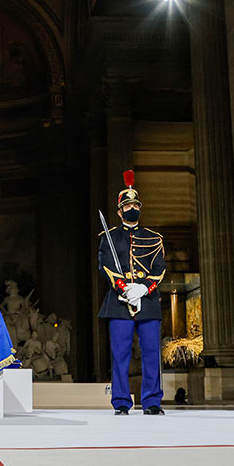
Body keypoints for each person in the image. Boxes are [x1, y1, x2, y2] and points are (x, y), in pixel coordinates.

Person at [98, 170, 166, 415]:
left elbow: (159, 268)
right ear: (119, 211)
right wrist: (124, 288)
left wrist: (143, 287)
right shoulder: (109, 237)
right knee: (120, 355)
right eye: (127, 206)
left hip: (147, 301)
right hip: (119, 301)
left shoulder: (154, 238)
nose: (131, 209)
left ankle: (151, 401)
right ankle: (122, 402)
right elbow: (105, 265)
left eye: (135, 205)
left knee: (150, 354)